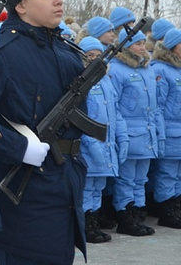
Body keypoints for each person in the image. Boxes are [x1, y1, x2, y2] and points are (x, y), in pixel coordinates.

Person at [0, 0, 87, 264]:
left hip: (65, 185)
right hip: (23, 196)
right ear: (21, 5)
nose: (58, 1)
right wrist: (17, 147)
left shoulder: (67, 53)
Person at [108, 29, 164, 236]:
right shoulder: (116, 69)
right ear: (126, 46)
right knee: (126, 179)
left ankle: (138, 214)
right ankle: (125, 215)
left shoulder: (147, 70)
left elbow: (155, 105)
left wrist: (159, 133)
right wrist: (120, 135)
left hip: (147, 134)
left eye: (143, 43)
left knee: (141, 179)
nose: (142, 47)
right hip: (129, 134)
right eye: (137, 44)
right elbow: (114, 105)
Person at [78, 36, 128, 244]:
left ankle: (94, 220)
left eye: (99, 55)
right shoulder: (82, 81)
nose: (95, 59)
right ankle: (85, 223)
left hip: (107, 145)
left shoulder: (106, 80)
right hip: (89, 146)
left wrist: (122, 138)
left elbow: (116, 113)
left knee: (98, 186)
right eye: (90, 56)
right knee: (87, 187)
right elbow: (82, 118)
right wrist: (91, 144)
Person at [148, 28, 181, 228]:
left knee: (178, 173)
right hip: (169, 130)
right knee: (167, 172)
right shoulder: (160, 69)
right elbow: (158, 105)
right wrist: (160, 132)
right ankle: (166, 208)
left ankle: (175, 205)